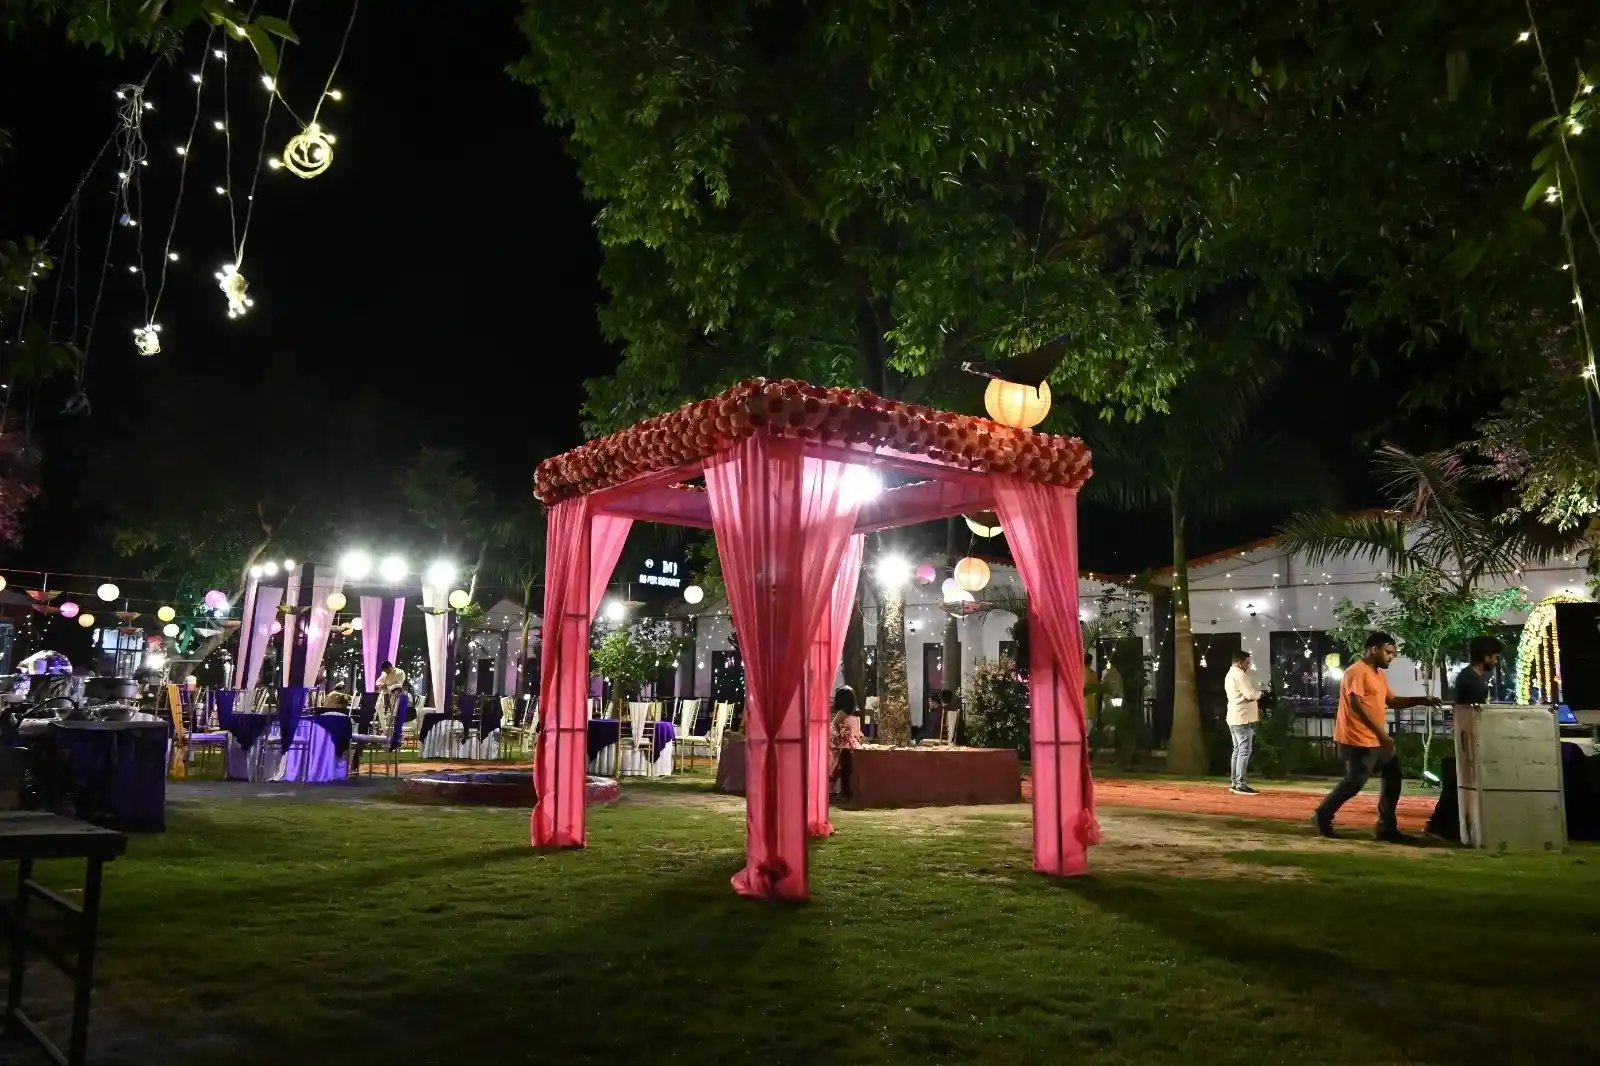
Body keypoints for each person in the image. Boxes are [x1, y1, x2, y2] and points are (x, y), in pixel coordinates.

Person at [1313, 632, 1442, 842]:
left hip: (1375, 740)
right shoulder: (1356, 672)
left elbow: (1391, 701)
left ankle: (1387, 828)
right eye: (1388, 652)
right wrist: (1383, 735)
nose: (1391, 657)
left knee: (1392, 777)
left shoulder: (1377, 674)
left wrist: (1421, 699)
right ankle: (1322, 815)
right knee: (1354, 783)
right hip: (1356, 740)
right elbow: (1356, 705)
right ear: (1375, 649)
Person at [1224, 649, 1263, 795]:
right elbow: (1249, 694)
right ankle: (1240, 784)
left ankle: (1235, 782)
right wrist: (1261, 694)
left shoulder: (1230, 674)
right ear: (1241, 662)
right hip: (1242, 717)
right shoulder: (1239, 675)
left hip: (1234, 717)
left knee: (1237, 750)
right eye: (1247, 662)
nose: (1248, 665)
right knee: (1244, 749)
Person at [830, 686, 863, 801]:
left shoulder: (842, 713)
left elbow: (832, 726)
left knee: (839, 769)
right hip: (852, 744)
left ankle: (839, 792)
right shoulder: (856, 713)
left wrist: (836, 736)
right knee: (846, 770)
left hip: (843, 744)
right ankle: (845, 793)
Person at [1453, 635, 1502, 706]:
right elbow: (1477, 714)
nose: (1496, 661)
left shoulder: (1469, 675)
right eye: (1495, 657)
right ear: (1486, 657)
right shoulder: (1472, 680)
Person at [376, 660, 407, 732]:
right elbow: (378, 682)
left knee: (395, 716)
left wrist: (387, 686)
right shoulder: (384, 673)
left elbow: (399, 685)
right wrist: (381, 685)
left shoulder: (399, 672)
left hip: (396, 696)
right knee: (380, 711)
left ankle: (394, 733)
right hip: (385, 696)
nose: (385, 672)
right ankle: (384, 731)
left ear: (390, 667)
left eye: (386, 670)